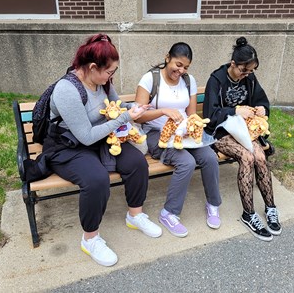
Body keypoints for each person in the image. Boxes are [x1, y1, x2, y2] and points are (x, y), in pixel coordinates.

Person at [42, 34, 162, 267]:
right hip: (68, 146)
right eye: (109, 72)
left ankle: (135, 215)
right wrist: (126, 117)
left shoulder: (103, 82)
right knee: (96, 180)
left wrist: (134, 107)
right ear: (93, 67)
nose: (111, 77)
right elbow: (85, 137)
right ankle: (90, 239)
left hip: (101, 138)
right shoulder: (67, 90)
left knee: (137, 162)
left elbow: (117, 106)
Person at [135, 42, 222, 238]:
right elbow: (137, 116)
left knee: (209, 157)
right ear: (167, 58)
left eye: (186, 67)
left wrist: (191, 128)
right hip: (157, 134)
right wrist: (162, 111)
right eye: (178, 64)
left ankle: (213, 204)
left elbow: (191, 114)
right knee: (186, 162)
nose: (181, 70)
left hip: (183, 133)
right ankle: (169, 213)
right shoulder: (150, 79)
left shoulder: (188, 80)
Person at [202, 36, 282, 242]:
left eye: (251, 71)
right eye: (243, 70)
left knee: (260, 157)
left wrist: (263, 108)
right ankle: (249, 214)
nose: (246, 75)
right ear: (233, 64)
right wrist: (235, 110)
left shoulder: (250, 79)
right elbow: (210, 115)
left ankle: (270, 208)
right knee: (247, 157)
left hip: (243, 131)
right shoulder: (216, 80)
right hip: (220, 132)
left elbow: (261, 100)